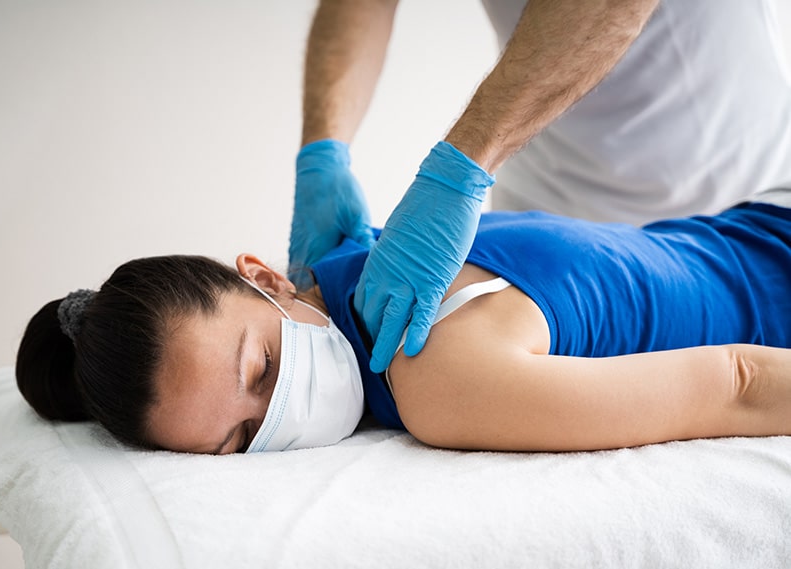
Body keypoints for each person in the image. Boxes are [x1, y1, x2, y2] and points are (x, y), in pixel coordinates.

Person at [17, 190, 791, 455]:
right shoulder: (361, 264)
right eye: (242, 437)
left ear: (266, 278)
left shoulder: (438, 379)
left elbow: (739, 382)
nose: (284, 412)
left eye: (263, 369)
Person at [289, 0, 791, 375]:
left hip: (730, 175)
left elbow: (739, 384)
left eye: (267, 367)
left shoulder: (447, 371)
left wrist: (460, 168)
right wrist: (323, 152)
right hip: (548, 200)